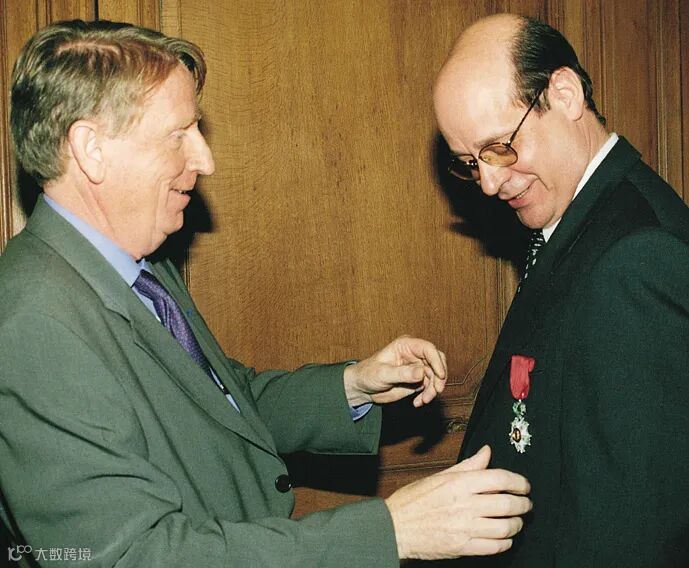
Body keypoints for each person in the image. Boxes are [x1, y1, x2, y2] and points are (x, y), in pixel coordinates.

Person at [0, 19, 533, 567]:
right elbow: (131, 557)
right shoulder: (32, 323)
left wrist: (354, 386)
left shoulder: (139, 262)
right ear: (91, 149)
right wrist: (390, 532)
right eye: (179, 134)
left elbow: (222, 404)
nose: (205, 160)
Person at [433, 13, 689, 567]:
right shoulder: (582, 222)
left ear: (565, 94)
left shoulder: (637, 258)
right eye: (470, 163)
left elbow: (629, 535)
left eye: (500, 147)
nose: (489, 183)